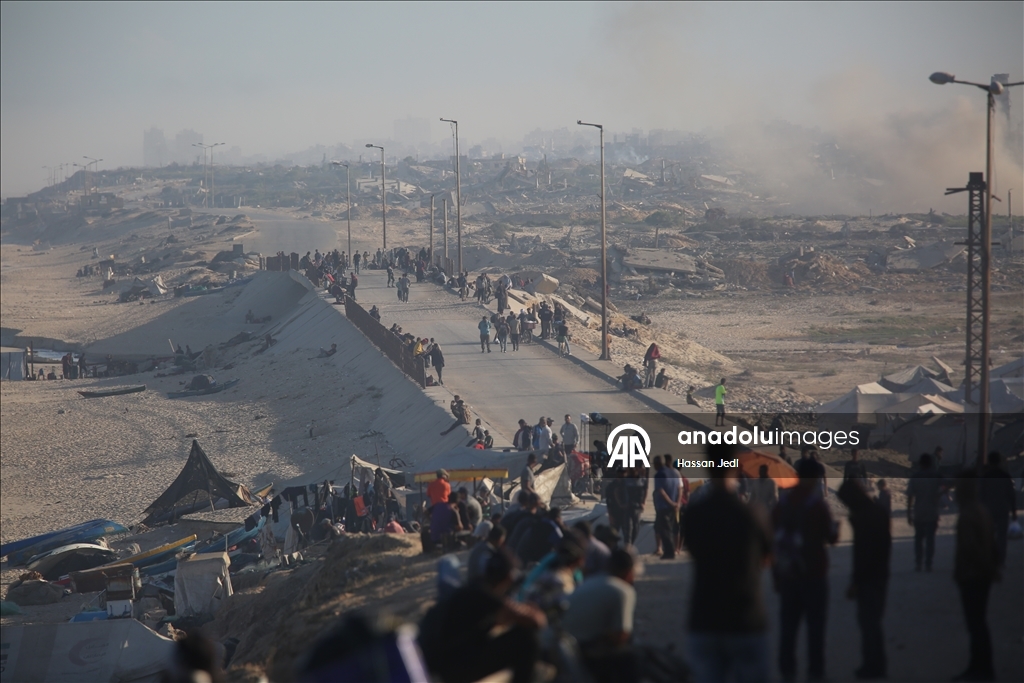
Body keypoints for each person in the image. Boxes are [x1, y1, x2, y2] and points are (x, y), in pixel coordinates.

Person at [684, 444, 772, 683]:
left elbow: (694, 551)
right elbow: (766, 558)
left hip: (705, 618)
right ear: (736, 467)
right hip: (745, 618)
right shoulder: (754, 515)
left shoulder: (695, 514)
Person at [772, 457, 839, 682]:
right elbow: (831, 537)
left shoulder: (783, 504)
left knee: (788, 627)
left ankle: (787, 670)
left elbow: (772, 539)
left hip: (788, 574)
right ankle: (815, 671)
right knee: (815, 628)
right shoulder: (817, 506)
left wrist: (776, 575)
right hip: (814, 574)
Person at [838, 477, 892, 680]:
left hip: (869, 577)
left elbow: (863, 554)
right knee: (872, 623)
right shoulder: (877, 511)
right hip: (880, 573)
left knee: (869, 624)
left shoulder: (863, 517)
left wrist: (856, 581)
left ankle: (873, 665)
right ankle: (875, 664)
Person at [562, 548, 639, 683]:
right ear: (629, 573)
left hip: (561, 646)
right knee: (633, 657)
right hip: (579, 650)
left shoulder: (590, 581)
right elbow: (620, 636)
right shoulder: (622, 590)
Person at [952, 470, 998, 682]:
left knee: (975, 624)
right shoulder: (982, 511)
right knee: (979, 623)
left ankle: (980, 668)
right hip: (981, 575)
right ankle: (980, 666)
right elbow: (992, 545)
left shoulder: (968, 515)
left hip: (972, 576)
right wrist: (993, 568)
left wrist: (986, 568)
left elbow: (971, 548)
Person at [906, 453, 945, 572]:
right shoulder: (936, 475)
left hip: (919, 512)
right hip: (932, 512)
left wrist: (909, 513)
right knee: (930, 540)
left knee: (918, 539)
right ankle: (928, 563)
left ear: (920, 464)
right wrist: (939, 494)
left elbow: (910, 496)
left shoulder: (915, 477)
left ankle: (918, 563)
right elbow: (949, 484)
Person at [980, 452, 1018, 568]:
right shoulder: (1005, 476)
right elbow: (1011, 495)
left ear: (989, 462)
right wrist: (1014, 511)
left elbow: (981, 495)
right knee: (1002, 537)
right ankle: (1001, 560)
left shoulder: (985, 477)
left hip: (988, 510)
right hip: (1002, 509)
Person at [652, 455, 681, 560]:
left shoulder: (659, 474)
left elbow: (661, 491)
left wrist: (671, 503)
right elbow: (680, 488)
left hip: (664, 506)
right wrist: (677, 503)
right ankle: (671, 550)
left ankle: (669, 552)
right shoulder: (674, 473)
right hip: (673, 506)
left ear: (657, 464)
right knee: (671, 528)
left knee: (664, 530)